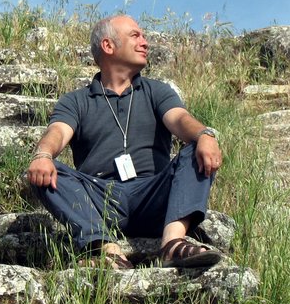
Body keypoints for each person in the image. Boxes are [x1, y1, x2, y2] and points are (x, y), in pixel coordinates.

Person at [26, 14, 224, 270]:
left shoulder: (156, 91)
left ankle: (173, 243)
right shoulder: (76, 101)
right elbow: (58, 132)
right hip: (100, 199)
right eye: (135, 36)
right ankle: (107, 249)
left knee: (195, 148)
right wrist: (43, 155)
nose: (145, 42)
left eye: (143, 36)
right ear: (108, 46)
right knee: (44, 170)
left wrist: (204, 135)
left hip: (153, 196)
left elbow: (180, 119)